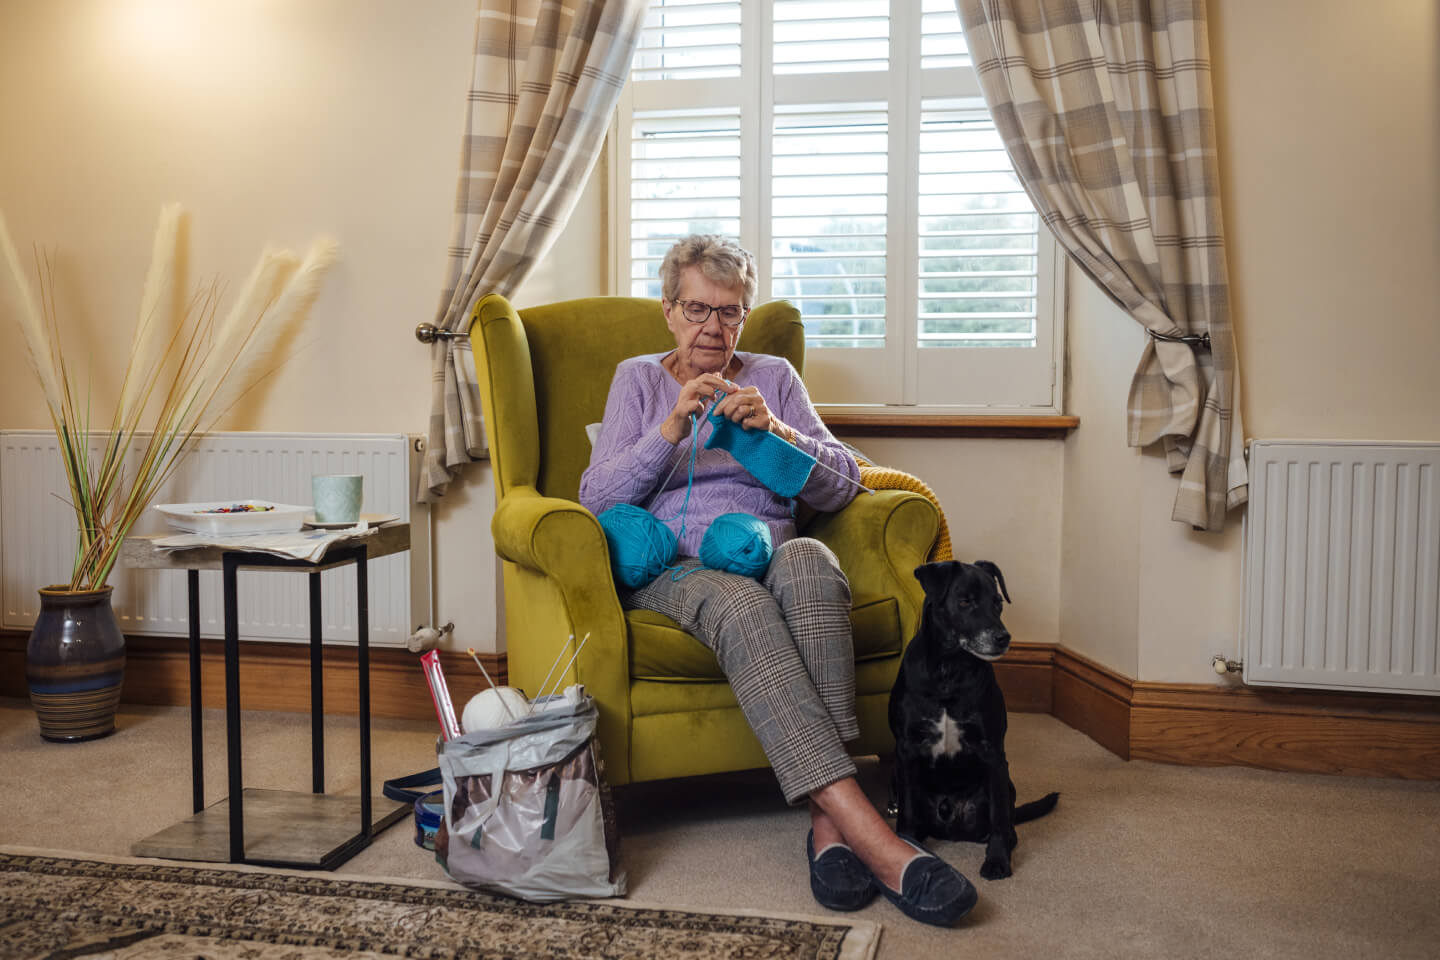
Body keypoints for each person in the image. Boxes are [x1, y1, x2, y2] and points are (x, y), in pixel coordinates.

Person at [579, 235, 975, 926]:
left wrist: (779, 433)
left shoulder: (775, 376)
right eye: (699, 309)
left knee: (813, 564)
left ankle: (828, 829)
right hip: (677, 565)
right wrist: (671, 426)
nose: (714, 328)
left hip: (773, 543)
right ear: (669, 310)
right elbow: (595, 497)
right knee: (740, 602)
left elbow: (844, 484)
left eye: (730, 313)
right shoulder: (637, 379)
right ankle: (872, 836)